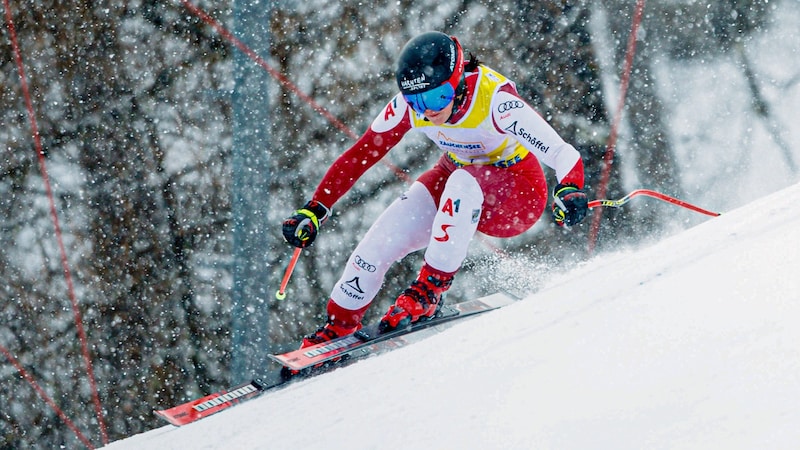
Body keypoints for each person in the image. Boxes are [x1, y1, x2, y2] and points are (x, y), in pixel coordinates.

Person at [282, 31, 588, 348]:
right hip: (457, 183)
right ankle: (338, 326)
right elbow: (360, 155)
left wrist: (569, 189)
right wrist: (316, 208)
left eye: (437, 97)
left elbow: (563, 154)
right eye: (416, 102)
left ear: (457, 81)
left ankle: (430, 290)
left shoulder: (495, 100)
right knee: (384, 235)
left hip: (516, 194)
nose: (427, 111)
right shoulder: (408, 106)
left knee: (462, 180)